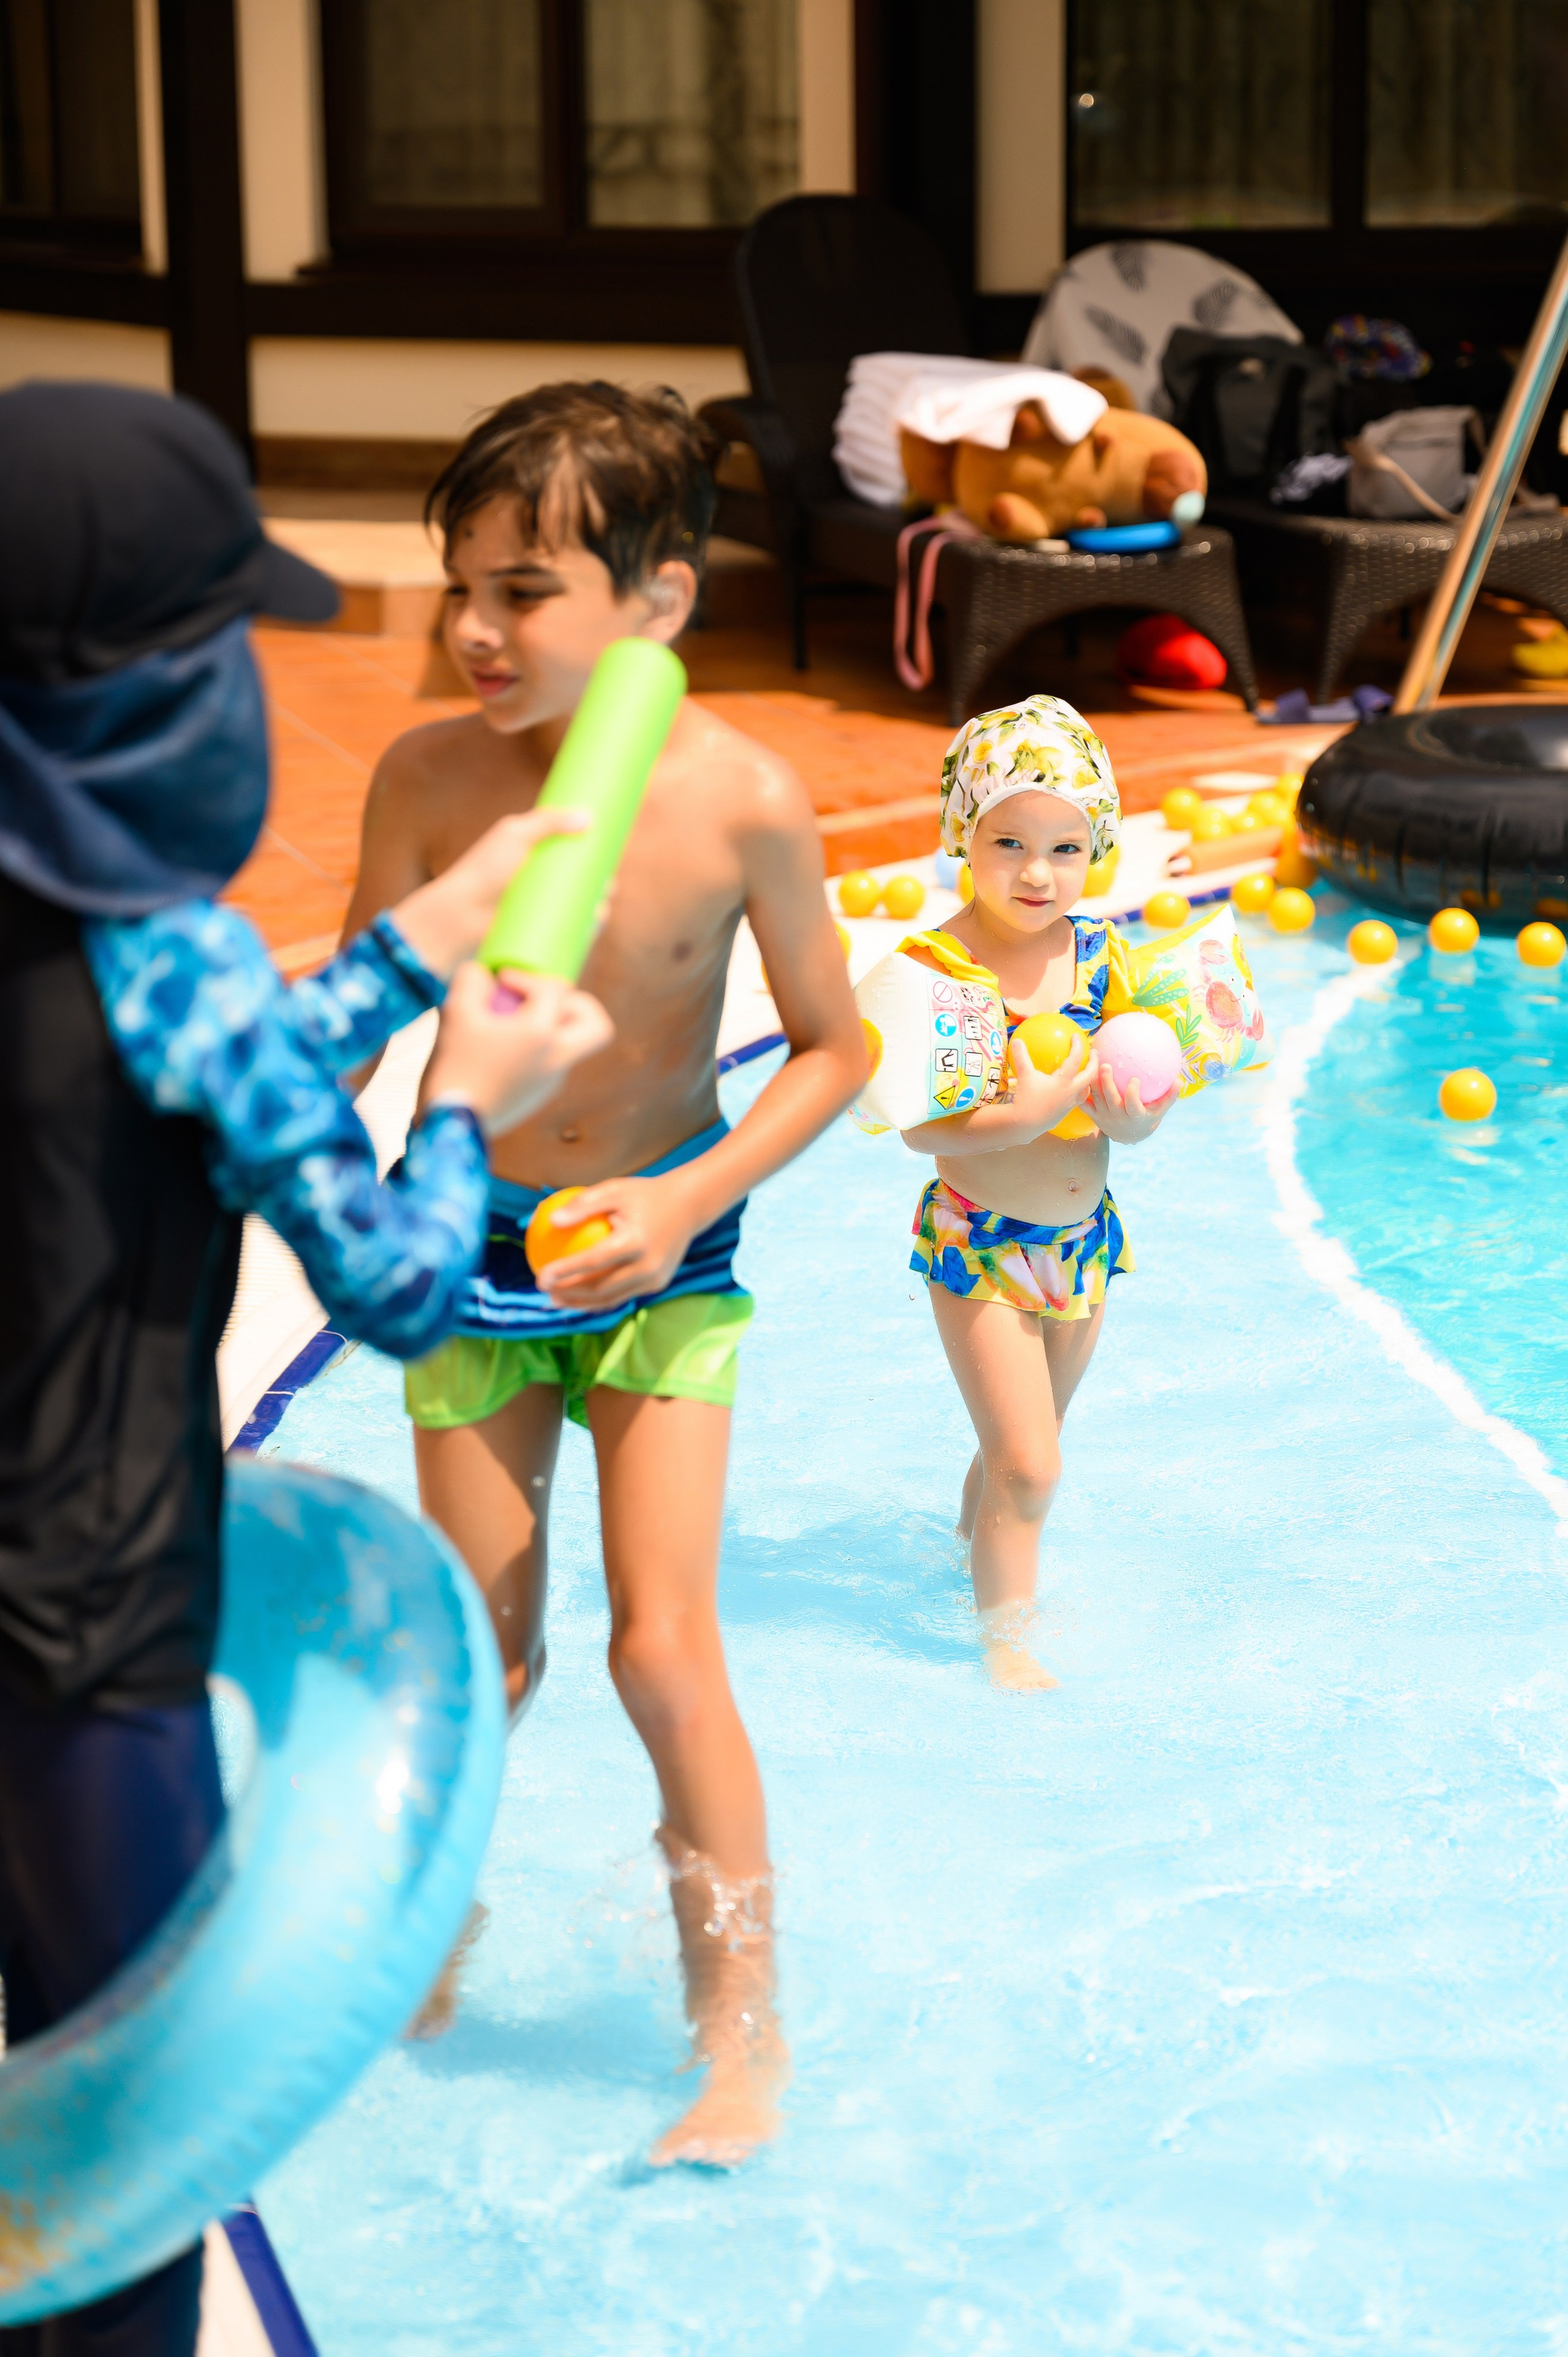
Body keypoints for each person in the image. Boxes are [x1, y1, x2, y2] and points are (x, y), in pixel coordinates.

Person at [0, 381, 609, 2357]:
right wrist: (469, 1095)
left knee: (34, 2144)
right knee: (133, 2200)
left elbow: (210, 1072)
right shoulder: (164, 955)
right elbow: (403, 1280)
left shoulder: (95, 942)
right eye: (210, 648)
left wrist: (412, 942)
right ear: (130, 689)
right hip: (98, 1663)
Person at [340, 380, 866, 2168]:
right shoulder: (425, 783)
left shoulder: (744, 802)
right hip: (465, 1255)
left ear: (656, 601)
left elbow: (835, 1049)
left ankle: (739, 2034)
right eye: (456, 588)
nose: (475, 632)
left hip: (661, 1260)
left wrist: (685, 1194)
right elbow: (351, 1034)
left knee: (661, 1648)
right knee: (475, 1658)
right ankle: (425, 1949)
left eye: (524, 591)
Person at [898, 696, 1174, 1691]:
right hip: (979, 1241)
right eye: (1007, 840)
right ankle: (1005, 1644)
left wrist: (1136, 1115)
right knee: (1033, 1465)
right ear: (959, 834)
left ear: (1096, 847)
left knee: (1020, 1453)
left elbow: (1136, 1110)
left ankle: (961, 1554)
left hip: (1085, 1241)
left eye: (1065, 847)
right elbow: (922, 1127)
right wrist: (1021, 1113)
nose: (1036, 872)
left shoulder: (1102, 956)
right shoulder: (949, 969)